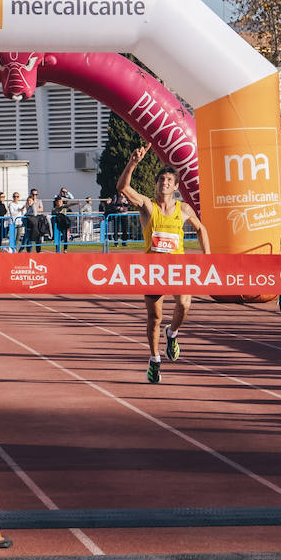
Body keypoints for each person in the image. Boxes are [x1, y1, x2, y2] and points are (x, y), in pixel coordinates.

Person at [118, 146, 211, 384]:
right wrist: (133, 162)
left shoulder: (184, 210)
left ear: (176, 186)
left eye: (170, 180)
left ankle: (173, 334)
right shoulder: (147, 205)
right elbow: (123, 188)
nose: (165, 183)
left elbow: (201, 230)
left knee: (184, 304)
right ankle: (154, 359)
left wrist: (208, 257)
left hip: (177, 268)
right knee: (154, 318)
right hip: (153, 270)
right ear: (156, 184)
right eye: (161, 179)